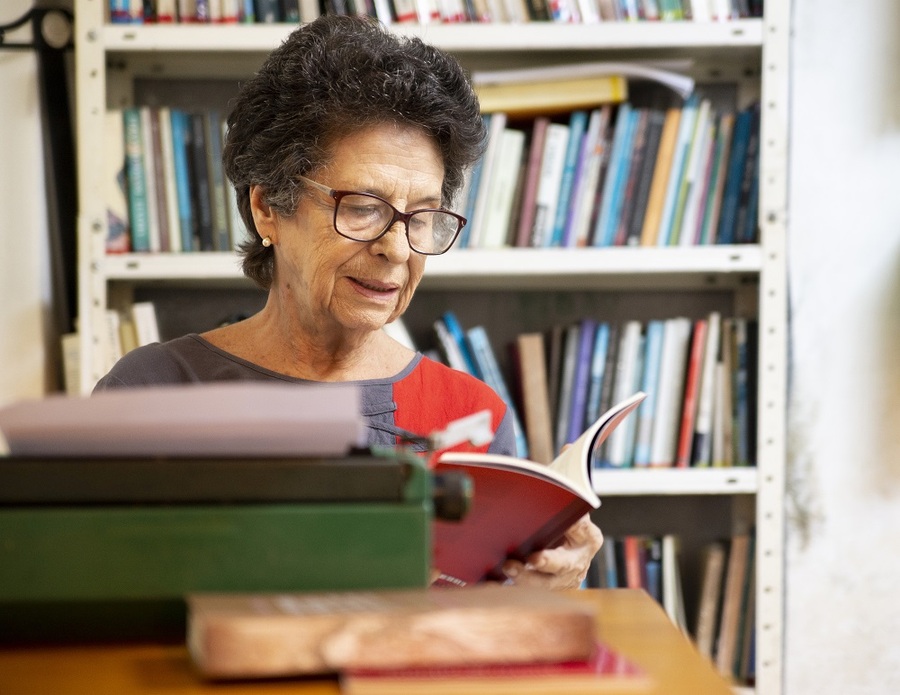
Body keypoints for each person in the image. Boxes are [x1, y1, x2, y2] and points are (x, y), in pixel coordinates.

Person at [94, 14, 602, 589]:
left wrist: (547, 593)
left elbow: (489, 657)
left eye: (423, 217)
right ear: (268, 208)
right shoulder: (151, 391)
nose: (395, 248)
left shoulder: (470, 415)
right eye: (363, 207)